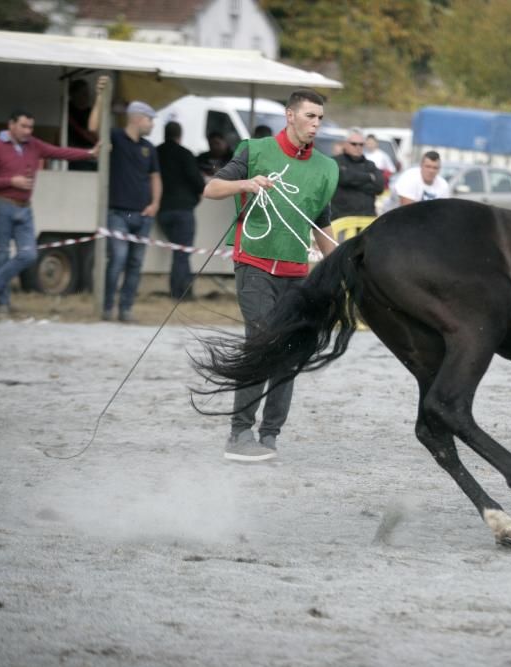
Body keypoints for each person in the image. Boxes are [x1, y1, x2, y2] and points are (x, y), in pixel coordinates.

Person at [203, 88, 338, 463]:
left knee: (291, 351)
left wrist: (342, 270)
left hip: (297, 273)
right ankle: (239, 432)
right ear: (290, 116)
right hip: (255, 264)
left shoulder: (327, 168)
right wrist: (246, 184)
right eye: (310, 116)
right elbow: (212, 188)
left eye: (320, 118)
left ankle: (270, 435)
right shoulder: (255, 150)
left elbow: (321, 225)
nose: (316, 124)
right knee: (263, 341)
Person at [0, 108, 97, 317]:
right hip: (0, 205)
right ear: (11, 124)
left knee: (29, 254)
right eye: (23, 126)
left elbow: (59, 152)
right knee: (1, 256)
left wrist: (89, 153)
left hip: (24, 207)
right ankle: (1, 305)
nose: (28, 131)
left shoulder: (34, 145)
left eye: (30, 127)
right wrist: (11, 181)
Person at [88, 76, 162, 323]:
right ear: (138, 118)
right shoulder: (115, 138)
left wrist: (155, 204)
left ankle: (126, 309)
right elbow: (93, 127)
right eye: (150, 119)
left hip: (142, 215)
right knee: (117, 259)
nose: (152, 124)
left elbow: (155, 177)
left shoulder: (149, 148)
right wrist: (100, 96)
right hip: (118, 213)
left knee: (135, 264)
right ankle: (108, 307)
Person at [157, 121, 204, 301]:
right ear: (180, 135)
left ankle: (179, 290)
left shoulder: (156, 152)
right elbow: (198, 181)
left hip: (163, 210)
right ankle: (181, 293)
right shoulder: (185, 154)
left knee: (178, 252)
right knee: (182, 254)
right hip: (183, 209)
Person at [331, 128, 384, 218]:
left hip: (366, 218)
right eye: (354, 144)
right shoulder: (335, 162)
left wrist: (351, 183)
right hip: (342, 219)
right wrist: (369, 177)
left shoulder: (370, 165)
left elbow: (379, 187)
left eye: (361, 144)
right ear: (345, 144)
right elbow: (344, 178)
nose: (358, 147)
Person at [66, 79, 98, 172]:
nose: (87, 96)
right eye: (83, 93)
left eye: (87, 93)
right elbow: (88, 133)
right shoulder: (67, 110)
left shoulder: (91, 112)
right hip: (76, 155)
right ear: (74, 94)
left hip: (93, 154)